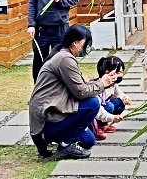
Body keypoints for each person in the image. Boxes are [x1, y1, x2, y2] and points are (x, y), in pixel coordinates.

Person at [28, 26, 120, 160]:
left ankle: (53, 138)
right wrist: (102, 83)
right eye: (85, 43)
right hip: (48, 116)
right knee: (93, 103)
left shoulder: (63, 55)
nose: (87, 47)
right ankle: (63, 144)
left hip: (55, 111)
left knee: (88, 140)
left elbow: (80, 86)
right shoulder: (65, 59)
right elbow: (81, 92)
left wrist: (101, 82)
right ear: (75, 43)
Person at [92, 55, 130, 139]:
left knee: (119, 103)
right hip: (96, 112)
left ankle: (104, 125)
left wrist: (125, 98)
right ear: (107, 72)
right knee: (109, 106)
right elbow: (97, 108)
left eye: (121, 72)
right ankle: (97, 127)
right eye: (117, 73)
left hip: (104, 110)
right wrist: (112, 117)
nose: (120, 75)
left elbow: (119, 93)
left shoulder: (113, 84)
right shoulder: (98, 86)